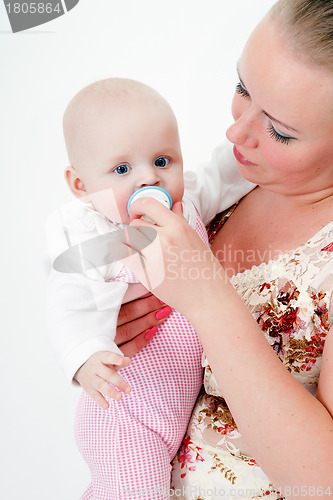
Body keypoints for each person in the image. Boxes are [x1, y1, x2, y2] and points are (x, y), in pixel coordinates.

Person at [119, 1, 333, 498]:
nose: (236, 132)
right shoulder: (228, 184)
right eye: (243, 88)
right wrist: (103, 333)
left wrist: (209, 300)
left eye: (280, 130)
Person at [45, 78, 253, 499]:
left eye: (162, 160)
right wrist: (83, 356)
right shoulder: (94, 235)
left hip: (172, 410)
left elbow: (224, 175)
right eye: (122, 170)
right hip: (127, 413)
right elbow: (68, 299)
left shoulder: (186, 205)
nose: (148, 178)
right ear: (81, 184)